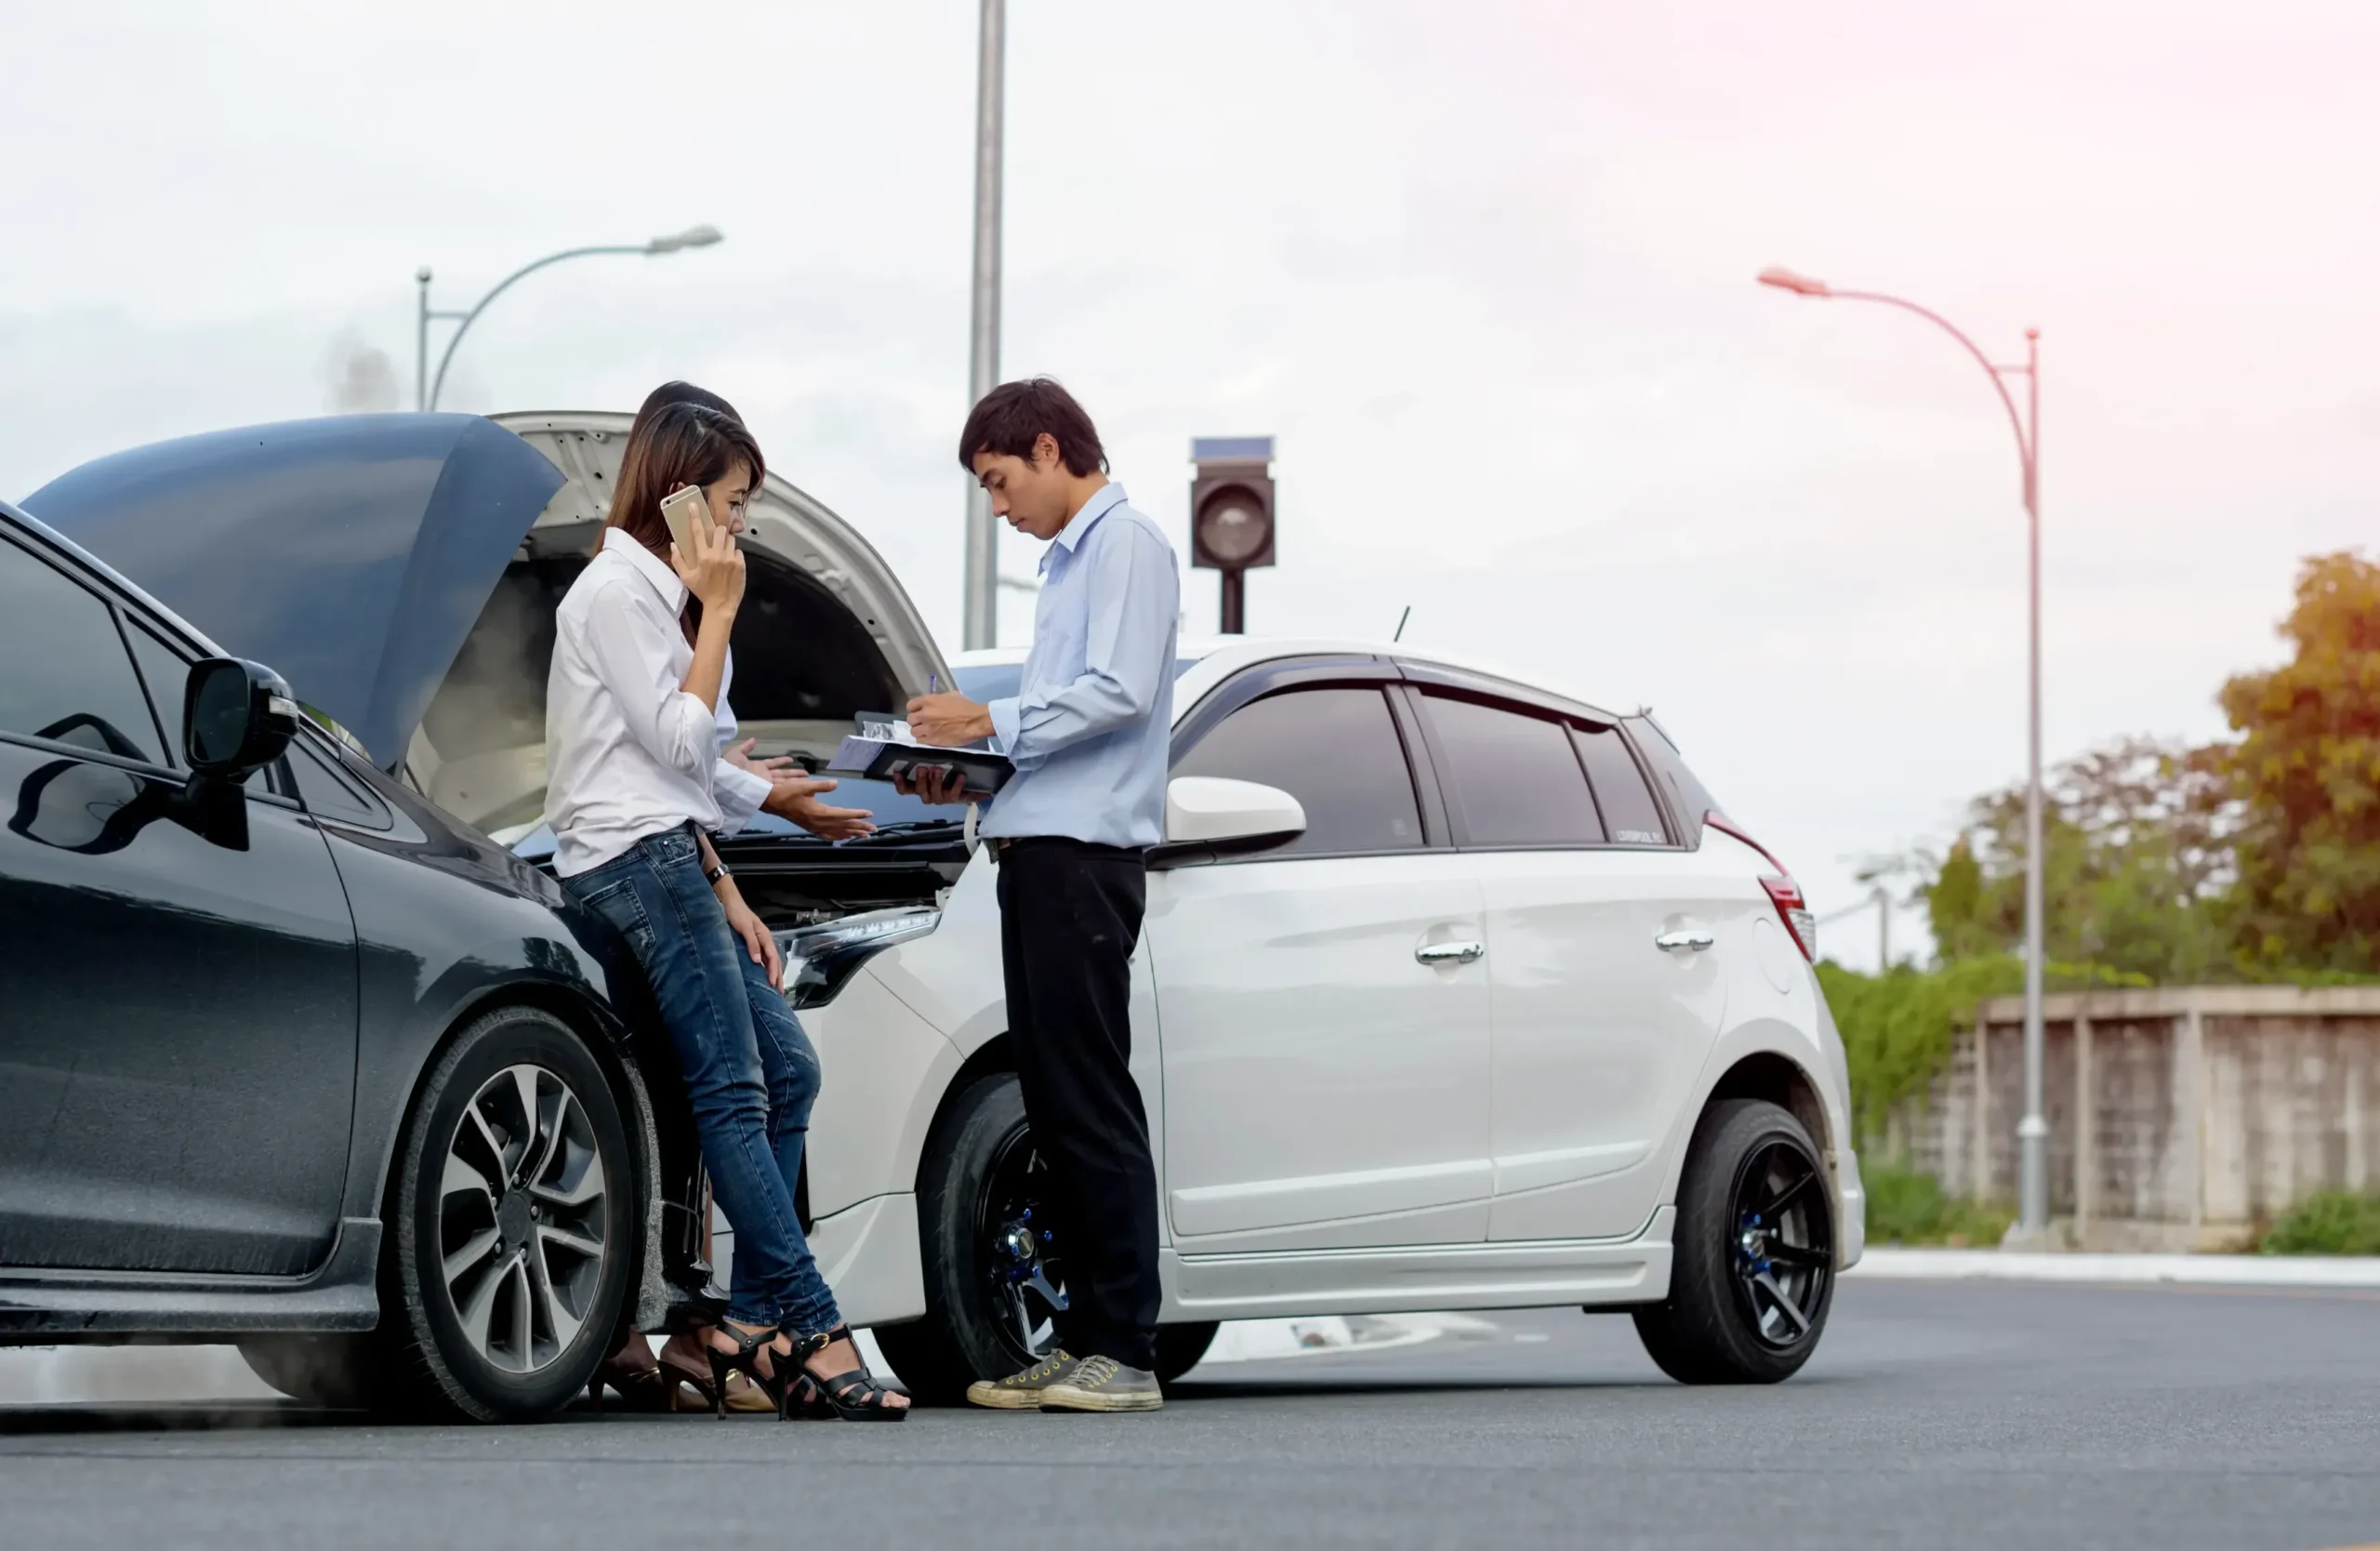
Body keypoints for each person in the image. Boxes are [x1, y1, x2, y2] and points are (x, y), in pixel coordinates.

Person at [548, 399, 907, 1421]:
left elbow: (702, 753)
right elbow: (673, 746)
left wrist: (776, 805)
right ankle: (812, 1325)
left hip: (669, 857)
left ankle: (749, 1319)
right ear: (683, 494)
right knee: (737, 1095)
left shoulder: (659, 596)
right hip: (637, 866)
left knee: (788, 1070)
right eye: (735, 501)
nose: (742, 523)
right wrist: (718, 612)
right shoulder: (619, 594)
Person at [904, 378, 1180, 1413]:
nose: (998, 507)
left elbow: (1119, 693)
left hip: (1080, 861)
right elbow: (1066, 723)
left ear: (1052, 449)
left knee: (1090, 1100)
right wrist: (970, 765)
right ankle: (1082, 1341)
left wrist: (990, 725)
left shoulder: (1127, 545)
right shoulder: (1070, 562)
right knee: (1058, 1109)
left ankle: (1125, 1348)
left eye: (999, 480)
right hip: (1038, 852)